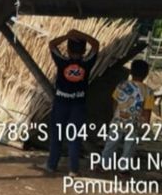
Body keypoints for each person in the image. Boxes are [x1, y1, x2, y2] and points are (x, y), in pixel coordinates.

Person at [44, 29, 99, 177]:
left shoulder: (62, 62)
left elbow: (51, 44)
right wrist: (83, 35)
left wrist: (67, 36)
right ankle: (73, 169)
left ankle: (51, 165)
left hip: (61, 104)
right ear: (84, 50)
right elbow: (96, 45)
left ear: (67, 49)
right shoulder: (87, 63)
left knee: (57, 136)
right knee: (75, 138)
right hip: (78, 106)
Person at [100, 60, 154, 168]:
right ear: (146, 74)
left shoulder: (122, 85)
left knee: (111, 143)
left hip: (118, 120)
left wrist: (115, 114)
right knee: (129, 147)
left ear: (131, 72)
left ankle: (103, 165)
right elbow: (147, 110)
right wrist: (146, 124)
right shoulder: (148, 91)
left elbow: (115, 101)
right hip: (133, 123)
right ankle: (123, 169)